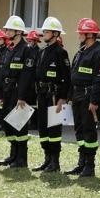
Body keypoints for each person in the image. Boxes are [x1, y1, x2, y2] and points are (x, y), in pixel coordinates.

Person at [66, 18, 100, 177]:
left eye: (81, 33)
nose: (79, 35)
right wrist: (70, 96)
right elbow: (73, 73)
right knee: (79, 130)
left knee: (89, 131)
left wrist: (94, 101)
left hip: (88, 96)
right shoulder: (81, 51)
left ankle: (89, 166)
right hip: (77, 95)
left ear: (90, 34)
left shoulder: (98, 53)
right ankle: (81, 163)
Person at [0, 16, 37, 168]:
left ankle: (21, 159)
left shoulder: (27, 50)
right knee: (8, 125)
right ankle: (13, 155)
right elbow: (2, 72)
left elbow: (27, 76)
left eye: (9, 29)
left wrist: (22, 97)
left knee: (19, 125)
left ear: (18, 32)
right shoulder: (8, 49)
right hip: (6, 92)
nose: (6, 31)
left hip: (19, 93)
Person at [31, 17, 69, 172]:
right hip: (42, 94)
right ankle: (47, 158)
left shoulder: (61, 52)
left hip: (55, 96)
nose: (43, 33)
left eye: (46, 31)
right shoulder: (42, 52)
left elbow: (66, 78)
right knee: (43, 128)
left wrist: (63, 98)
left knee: (53, 129)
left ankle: (55, 161)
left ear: (55, 33)